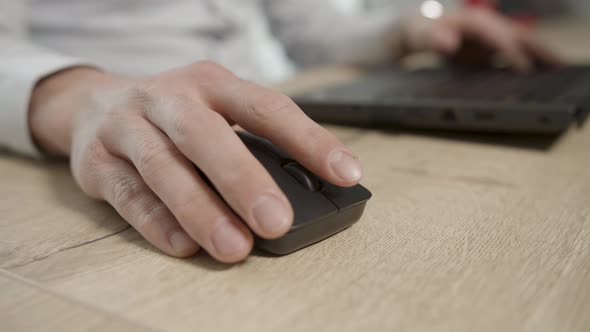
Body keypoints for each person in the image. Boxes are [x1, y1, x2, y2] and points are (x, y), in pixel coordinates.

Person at [0, 1, 561, 263]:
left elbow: (315, 31)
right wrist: (71, 96)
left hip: (266, 115)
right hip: (122, 134)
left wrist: (415, 26)